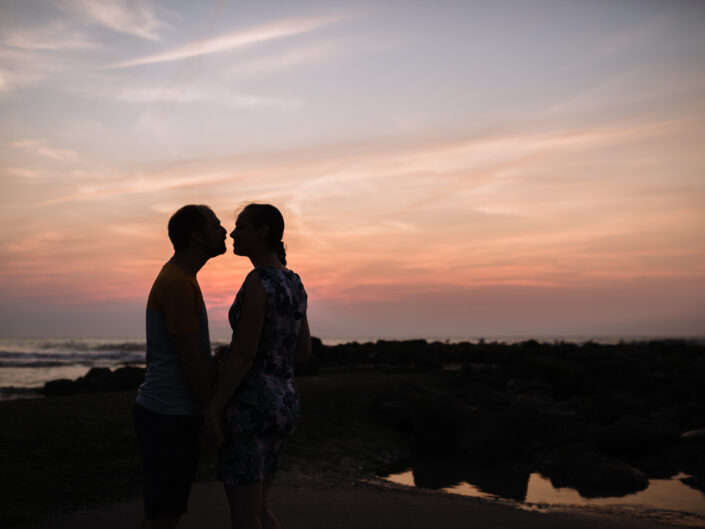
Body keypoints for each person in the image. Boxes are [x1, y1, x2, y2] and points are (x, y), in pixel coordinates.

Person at [205, 203, 311, 529]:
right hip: (285, 401)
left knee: (245, 515)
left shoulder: (258, 281)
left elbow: (244, 355)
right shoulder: (293, 282)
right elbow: (303, 352)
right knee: (260, 510)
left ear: (262, 232)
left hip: (252, 406)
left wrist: (214, 407)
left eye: (241, 227)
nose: (234, 234)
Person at [134, 204, 227, 529]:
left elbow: (191, 354)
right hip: (168, 414)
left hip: (167, 412)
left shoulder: (182, 279)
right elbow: (190, 360)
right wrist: (211, 411)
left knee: (164, 510)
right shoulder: (178, 284)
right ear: (198, 236)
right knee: (163, 515)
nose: (224, 230)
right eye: (216, 226)